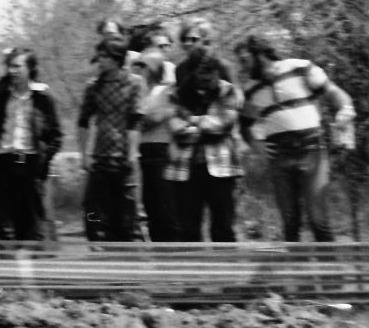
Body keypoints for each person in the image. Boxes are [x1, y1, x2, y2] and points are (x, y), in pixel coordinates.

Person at [235, 33, 355, 242]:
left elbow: (335, 93)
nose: (242, 67)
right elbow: (244, 125)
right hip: (279, 156)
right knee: (290, 222)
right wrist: (257, 145)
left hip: (312, 150)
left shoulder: (300, 68)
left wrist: (345, 110)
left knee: (318, 219)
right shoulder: (251, 89)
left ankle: (330, 264)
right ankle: (297, 263)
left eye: (244, 60)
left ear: (259, 54)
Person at [0, 48, 62, 244]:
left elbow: (56, 136)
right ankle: (10, 261)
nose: (12, 71)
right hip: (3, 163)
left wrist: (43, 160)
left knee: (32, 225)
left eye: (17, 66)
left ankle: (32, 260)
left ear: (30, 68)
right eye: (10, 66)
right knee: (5, 225)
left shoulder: (43, 98)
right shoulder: (0, 97)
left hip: (31, 164)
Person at [165, 50, 244, 243]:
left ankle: (225, 261)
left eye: (212, 71)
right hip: (185, 170)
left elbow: (223, 124)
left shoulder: (227, 91)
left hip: (222, 169)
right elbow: (175, 128)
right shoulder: (177, 94)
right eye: (203, 71)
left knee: (224, 227)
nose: (209, 76)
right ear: (192, 72)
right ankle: (194, 262)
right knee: (188, 228)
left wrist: (192, 120)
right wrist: (204, 126)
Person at [77, 38, 143, 243]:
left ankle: (127, 252)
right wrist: (84, 154)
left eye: (104, 57)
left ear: (117, 59)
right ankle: (95, 241)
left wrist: (132, 153)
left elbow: (135, 122)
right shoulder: (93, 86)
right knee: (91, 210)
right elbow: (83, 122)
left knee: (126, 216)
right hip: (99, 159)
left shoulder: (134, 83)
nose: (100, 61)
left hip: (123, 160)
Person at [132, 49, 178, 241]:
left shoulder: (165, 91)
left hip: (161, 149)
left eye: (144, 65)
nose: (140, 68)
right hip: (141, 150)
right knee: (149, 204)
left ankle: (171, 248)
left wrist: (138, 122)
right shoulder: (137, 90)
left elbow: (156, 118)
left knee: (164, 205)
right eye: (139, 64)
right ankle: (157, 247)